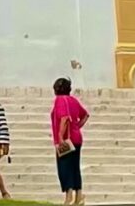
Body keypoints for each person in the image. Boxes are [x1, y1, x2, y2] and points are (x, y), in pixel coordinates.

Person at [52, 76, 89, 205]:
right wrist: (77, 127)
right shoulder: (73, 100)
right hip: (77, 138)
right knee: (74, 167)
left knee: (64, 168)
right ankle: (79, 196)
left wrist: (61, 137)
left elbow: (64, 118)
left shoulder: (60, 100)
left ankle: (68, 197)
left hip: (66, 140)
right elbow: (85, 115)